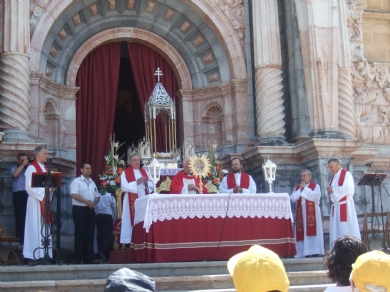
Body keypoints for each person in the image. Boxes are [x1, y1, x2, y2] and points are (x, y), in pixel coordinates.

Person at [23, 146, 52, 261]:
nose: (47, 156)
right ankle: (34, 255)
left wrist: (51, 189)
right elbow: (29, 187)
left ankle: (45, 254)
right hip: (36, 202)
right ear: (37, 155)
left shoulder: (45, 168)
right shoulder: (31, 168)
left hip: (44, 202)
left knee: (44, 226)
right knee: (35, 226)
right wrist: (44, 193)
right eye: (45, 154)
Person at [70, 162, 101, 264]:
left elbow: (97, 195)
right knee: (80, 233)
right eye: (87, 168)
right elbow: (74, 195)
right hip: (80, 209)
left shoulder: (92, 182)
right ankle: (78, 258)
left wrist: (93, 202)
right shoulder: (76, 181)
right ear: (81, 170)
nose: (89, 170)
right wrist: (87, 202)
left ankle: (88, 258)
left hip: (90, 209)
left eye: (90, 168)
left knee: (89, 234)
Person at [290, 169, 324, 258]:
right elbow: (293, 198)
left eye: (305, 176)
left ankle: (314, 251)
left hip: (313, 214)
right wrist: (300, 190)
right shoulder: (298, 188)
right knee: (302, 231)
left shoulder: (315, 186)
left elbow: (315, 196)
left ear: (310, 177)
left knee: (312, 230)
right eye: (301, 176)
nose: (303, 178)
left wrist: (304, 190)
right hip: (301, 213)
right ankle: (302, 252)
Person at [326, 159, 360, 246]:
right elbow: (332, 191)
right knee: (336, 229)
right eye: (329, 167)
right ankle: (337, 249)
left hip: (344, 205)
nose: (330, 169)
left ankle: (350, 247)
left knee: (346, 228)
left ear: (337, 165)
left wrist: (332, 190)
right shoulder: (333, 177)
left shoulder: (346, 174)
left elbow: (347, 188)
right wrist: (329, 191)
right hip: (336, 207)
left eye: (331, 166)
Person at [120, 155, 153, 244]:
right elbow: (124, 187)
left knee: (143, 217)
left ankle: (143, 239)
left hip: (143, 196)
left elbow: (151, 186)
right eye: (134, 160)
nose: (137, 162)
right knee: (130, 219)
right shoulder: (125, 173)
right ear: (130, 162)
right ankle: (129, 239)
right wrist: (136, 183)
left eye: (138, 160)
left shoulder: (144, 171)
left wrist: (147, 183)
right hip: (131, 196)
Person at [10, 153, 30, 245]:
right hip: (19, 195)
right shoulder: (14, 168)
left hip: (29, 194)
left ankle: (28, 238)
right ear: (18, 161)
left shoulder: (29, 169)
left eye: (26, 160)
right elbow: (15, 175)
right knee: (20, 217)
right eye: (22, 160)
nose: (25, 162)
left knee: (29, 218)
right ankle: (20, 239)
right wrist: (22, 165)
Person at [95, 191, 116, 262]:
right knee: (108, 235)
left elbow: (95, 206)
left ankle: (100, 250)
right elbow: (114, 206)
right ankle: (105, 252)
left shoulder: (97, 195)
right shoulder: (109, 195)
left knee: (100, 234)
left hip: (99, 216)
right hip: (108, 215)